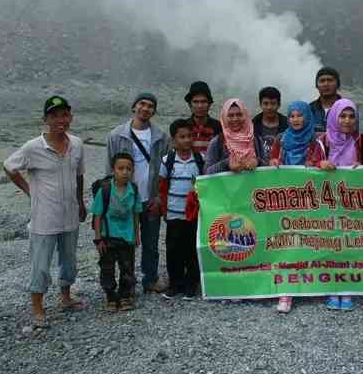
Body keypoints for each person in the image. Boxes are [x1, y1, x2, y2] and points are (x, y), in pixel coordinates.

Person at [3, 96, 87, 328]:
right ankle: (38, 309)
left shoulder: (77, 144)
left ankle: (66, 297)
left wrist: (80, 202)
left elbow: (79, 175)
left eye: (64, 115)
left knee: (69, 260)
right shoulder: (33, 147)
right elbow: (9, 166)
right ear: (45, 119)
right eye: (54, 116)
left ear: (70, 117)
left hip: (70, 214)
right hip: (44, 218)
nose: (60, 120)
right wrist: (29, 189)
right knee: (41, 265)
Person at [105, 92, 169, 293]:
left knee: (151, 243)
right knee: (126, 243)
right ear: (134, 107)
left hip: (150, 198)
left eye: (150, 106)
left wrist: (159, 196)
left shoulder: (161, 137)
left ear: (154, 111)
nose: (146, 108)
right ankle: (127, 284)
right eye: (142, 104)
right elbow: (109, 169)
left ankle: (150, 279)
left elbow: (165, 170)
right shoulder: (116, 135)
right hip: (125, 199)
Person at [268, 101, 324, 313]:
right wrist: (273, 162)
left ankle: (311, 284)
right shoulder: (281, 139)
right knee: (287, 241)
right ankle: (286, 291)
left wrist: (316, 166)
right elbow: (272, 158)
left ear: (308, 117)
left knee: (308, 241)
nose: (296, 119)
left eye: (300, 115)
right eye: (292, 116)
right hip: (284, 201)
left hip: (309, 202)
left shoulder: (315, 141)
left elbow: (322, 163)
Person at [318, 98, 363, 311]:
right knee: (329, 242)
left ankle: (347, 287)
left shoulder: (360, 140)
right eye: (342, 115)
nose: (347, 120)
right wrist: (320, 163)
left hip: (352, 202)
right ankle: (331, 286)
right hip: (326, 201)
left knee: (349, 243)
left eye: (351, 116)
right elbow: (309, 164)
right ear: (334, 117)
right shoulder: (322, 141)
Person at [159, 119, 205, 300]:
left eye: (189, 136)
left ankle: (190, 284)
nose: (187, 140)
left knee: (192, 250)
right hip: (173, 213)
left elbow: (204, 185)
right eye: (182, 137)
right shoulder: (168, 161)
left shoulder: (200, 159)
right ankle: (174, 284)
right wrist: (164, 211)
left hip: (193, 215)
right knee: (173, 249)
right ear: (174, 140)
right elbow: (162, 187)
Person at [91, 152, 142, 312]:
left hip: (126, 237)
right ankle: (111, 297)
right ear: (113, 170)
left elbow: (136, 213)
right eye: (121, 168)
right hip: (107, 237)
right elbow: (98, 215)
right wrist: (98, 238)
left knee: (127, 267)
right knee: (107, 268)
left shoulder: (133, 190)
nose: (125, 172)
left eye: (128, 169)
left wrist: (136, 234)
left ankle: (125, 296)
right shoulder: (105, 190)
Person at [204, 99, 267, 175]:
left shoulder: (256, 139)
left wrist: (257, 162)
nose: (235, 119)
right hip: (225, 187)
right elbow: (206, 172)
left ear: (245, 116)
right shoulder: (217, 142)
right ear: (224, 117)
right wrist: (226, 164)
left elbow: (267, 167)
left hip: (253, 186)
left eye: (239, 115)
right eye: (230, 115)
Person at [185, 81, 222, 155]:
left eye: (203, 102)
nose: (200, 106)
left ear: (209, 104)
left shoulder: (219, 128)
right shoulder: (183, 127)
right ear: (190, 105)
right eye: (195, 102)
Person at [252, 86, 288, 162]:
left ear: (279, 105)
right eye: (265, 103)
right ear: (260, 104)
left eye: (273, 103)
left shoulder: (288, 125)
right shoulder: (252, 125)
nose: (269, 107)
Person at [309, 66, 342, 133]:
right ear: (317, 86)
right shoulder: (309, 110)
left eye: (330, 80)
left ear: (338, 84)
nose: (326, 84)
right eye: (322, 81)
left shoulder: (347, 109)